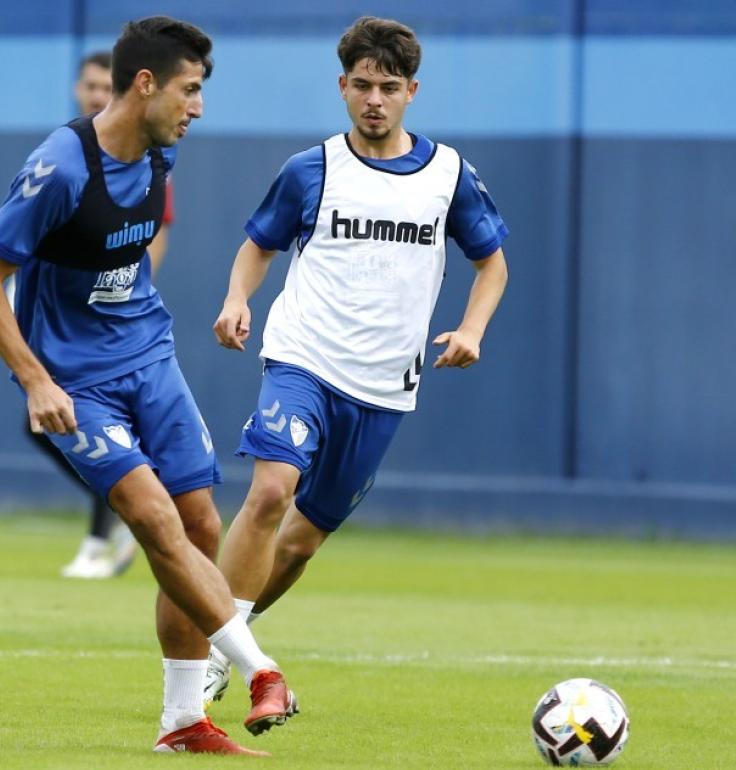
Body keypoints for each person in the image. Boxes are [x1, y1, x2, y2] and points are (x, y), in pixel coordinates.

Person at [0, 17, 295, 755]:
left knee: (202, 526)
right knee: (150, 516)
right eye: (191, 89)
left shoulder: (157, 156)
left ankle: (182, 724)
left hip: (149, 358)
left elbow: (128, 260)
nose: (199, 107)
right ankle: (261, 670)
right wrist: (35, 379)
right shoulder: (60, 167)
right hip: (78, 382)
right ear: (145, 85)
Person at [206, 16, 510, 703]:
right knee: (270, 491)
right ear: (343, 86)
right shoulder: (311, 169)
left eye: (389, 87)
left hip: (382, 386)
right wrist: (235, 299)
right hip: (302, 358)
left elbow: (492, 265)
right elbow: (260, 244)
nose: (375, 98)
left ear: (412, 92)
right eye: (363, 85)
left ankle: (233, 636)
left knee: (301, 544)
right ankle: (213, 657)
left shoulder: (448, 175)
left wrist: (472, 328)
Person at [43, 50, 177, 580]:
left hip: (117, 320)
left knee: (92, 424)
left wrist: (132, 289)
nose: (97, 94)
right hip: (67, 318)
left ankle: (111, 529)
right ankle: (123, 514)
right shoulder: (67, 152)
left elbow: (155, 229)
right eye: (89, 85)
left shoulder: (142, 153)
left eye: (105, 85)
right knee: (50, 421)